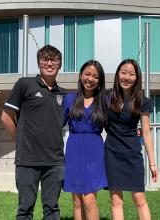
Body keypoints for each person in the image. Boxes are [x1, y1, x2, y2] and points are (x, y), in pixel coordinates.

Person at [1, 45, 66, 220]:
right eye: (45, 59)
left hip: (55, 162)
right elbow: (6, 116)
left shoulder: (63, 94)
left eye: (54, 59)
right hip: (27, 161)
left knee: (52, 209)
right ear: (39, 63)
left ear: (60, 64)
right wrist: (20, 141)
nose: (50, 63)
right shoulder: (24, 84)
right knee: (25, 209)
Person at [105, 59, 158, 220]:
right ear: (117, 75)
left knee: (139, 197)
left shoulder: (142, 100)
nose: (126, 77)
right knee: (115, 199)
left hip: (132, 152)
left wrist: (152, 163)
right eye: (123, 73)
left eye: (131, 74)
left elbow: (146, 133)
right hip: (112, 152)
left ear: (136, 77)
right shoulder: (106, 97)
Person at [62, 60, 108, 220]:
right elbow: (56, 125)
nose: (90, 79)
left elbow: (114, 127)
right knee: (76, 201)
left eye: (95, 76)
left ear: (100, 80)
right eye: (87, 74)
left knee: (89, 199)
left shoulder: (104, 101)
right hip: (74, 150)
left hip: (94, 151)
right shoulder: (70, 99)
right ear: (81, 76)